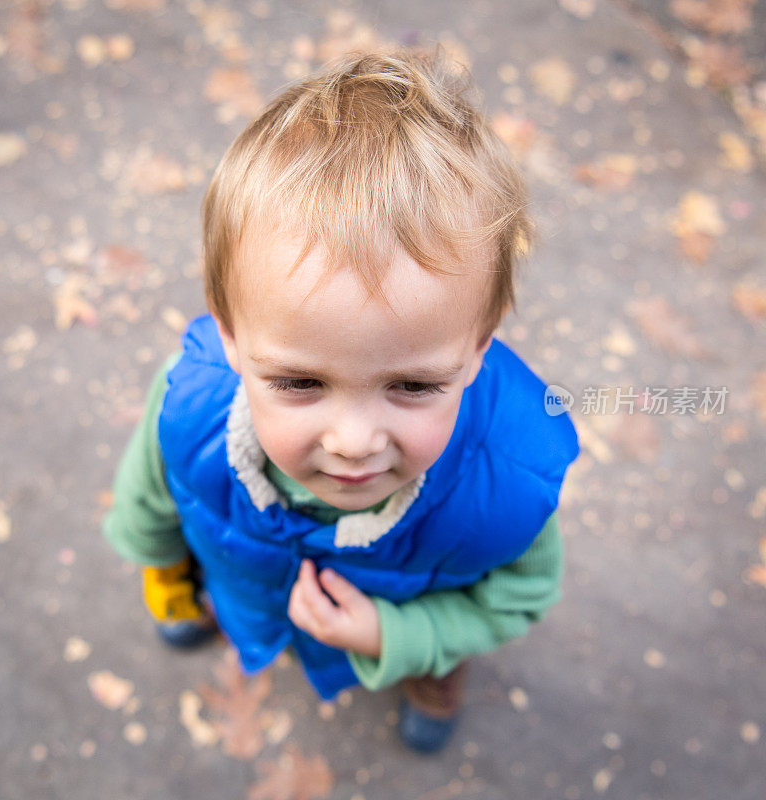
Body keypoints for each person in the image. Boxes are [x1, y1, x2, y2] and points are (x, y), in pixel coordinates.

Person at [102, 47, 579, 754]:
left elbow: (515, 598)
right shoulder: (190, 404)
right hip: (249, 582)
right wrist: (164, 568)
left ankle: (429, 675)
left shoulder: (506, 479)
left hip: (418, 619)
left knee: (436, 652)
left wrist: (398, 636)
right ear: (230, 335)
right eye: (300, 383)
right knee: (221, 590)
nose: (354, 441)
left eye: (413, 386)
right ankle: (217, 607)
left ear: (481, 344)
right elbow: (150, 496)